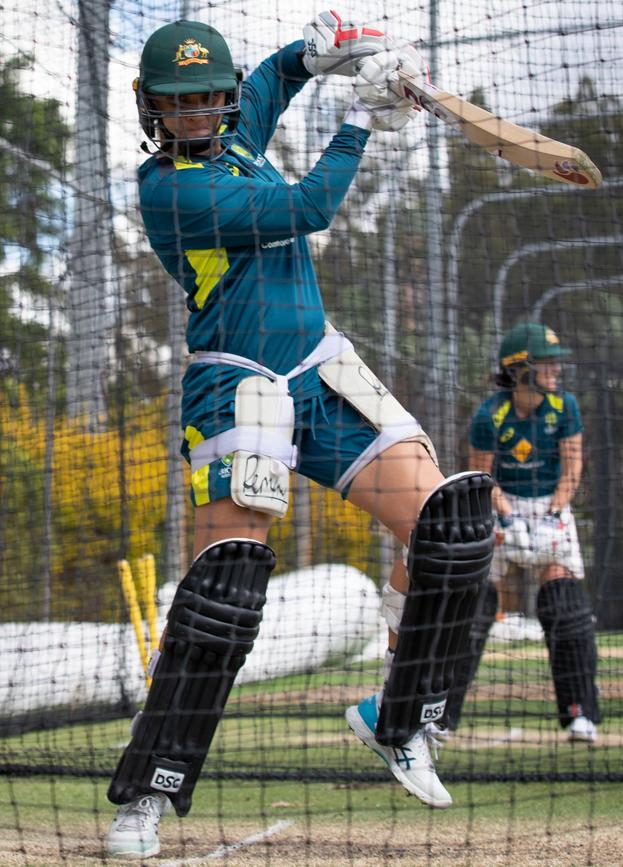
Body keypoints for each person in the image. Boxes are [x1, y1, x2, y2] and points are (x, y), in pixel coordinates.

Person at [105, 14, 494, 859]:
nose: (202, 112)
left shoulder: (235, 126)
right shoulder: (172, 189)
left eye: (212, 96)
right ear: (152, 108)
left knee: (452, 530)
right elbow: (309, 206)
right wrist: (361, 115)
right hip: (235, 380)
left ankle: (396, 719)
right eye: (181, 103)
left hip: (318, 365)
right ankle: (148, 793)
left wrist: (337, 49)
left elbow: (280, 71)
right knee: (223, 597)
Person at [445, 321, 601, 743]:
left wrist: (551, 514)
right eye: (546, 362)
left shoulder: (564, 406)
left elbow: (572, 469)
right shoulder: (489, 414)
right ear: (519, 369)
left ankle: (579, 713)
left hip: (551, 505)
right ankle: (441, 717)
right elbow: (483, 474)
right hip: (502, 504)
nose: (555, 369)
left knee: (564, 607)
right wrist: (508, 516)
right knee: (472, 608)